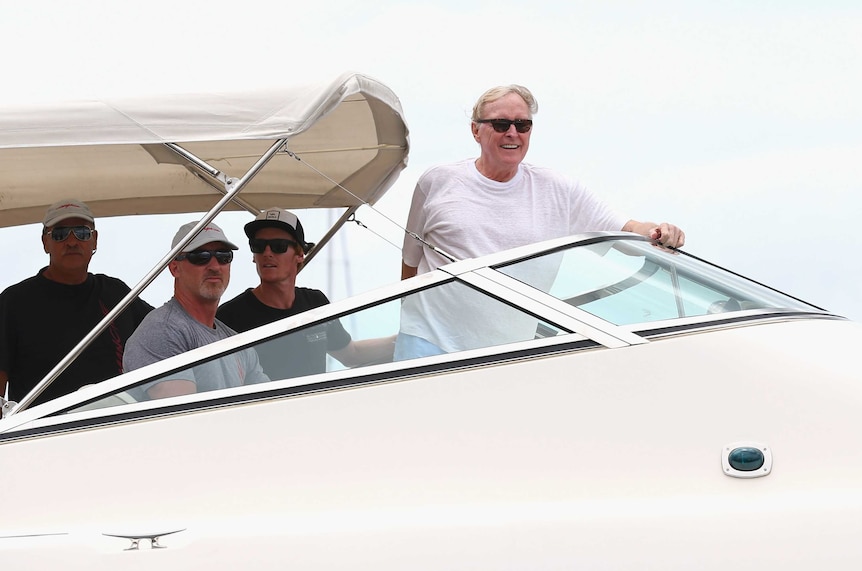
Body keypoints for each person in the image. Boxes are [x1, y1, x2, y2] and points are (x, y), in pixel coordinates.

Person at [397, 85, 687, 359]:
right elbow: (410, 263)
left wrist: (658, 232)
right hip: (427, 344)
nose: (513, 133)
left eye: (522, 125)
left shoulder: (559, 189)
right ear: (476, 130)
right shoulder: (436, 181)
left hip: (506, 353)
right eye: (501, 124)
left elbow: (628, 229)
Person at [0, 199, 154, 409]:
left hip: (120, 424)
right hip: (42, 433)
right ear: (45, 242)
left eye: (82, 233)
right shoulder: (13, 302)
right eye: (60, 234)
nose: (72, 242)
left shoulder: (116, 293)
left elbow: (165, 333)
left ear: (95, 240)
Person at [217, 207, 395, 379]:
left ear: (300, 254)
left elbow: (350, 354)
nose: (267, 253)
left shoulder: (315, 303)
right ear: (253, 255)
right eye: (259, 246)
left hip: (316, 408)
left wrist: (405, 339)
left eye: (278, 246)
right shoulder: (228, 318)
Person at [123, 221, 267, 400]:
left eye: (223, 256)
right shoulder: (163, 330)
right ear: (174, 267)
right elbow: (183, 418)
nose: (214, 266)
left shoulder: (237, 343)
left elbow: (271, 406)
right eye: (200, 256)